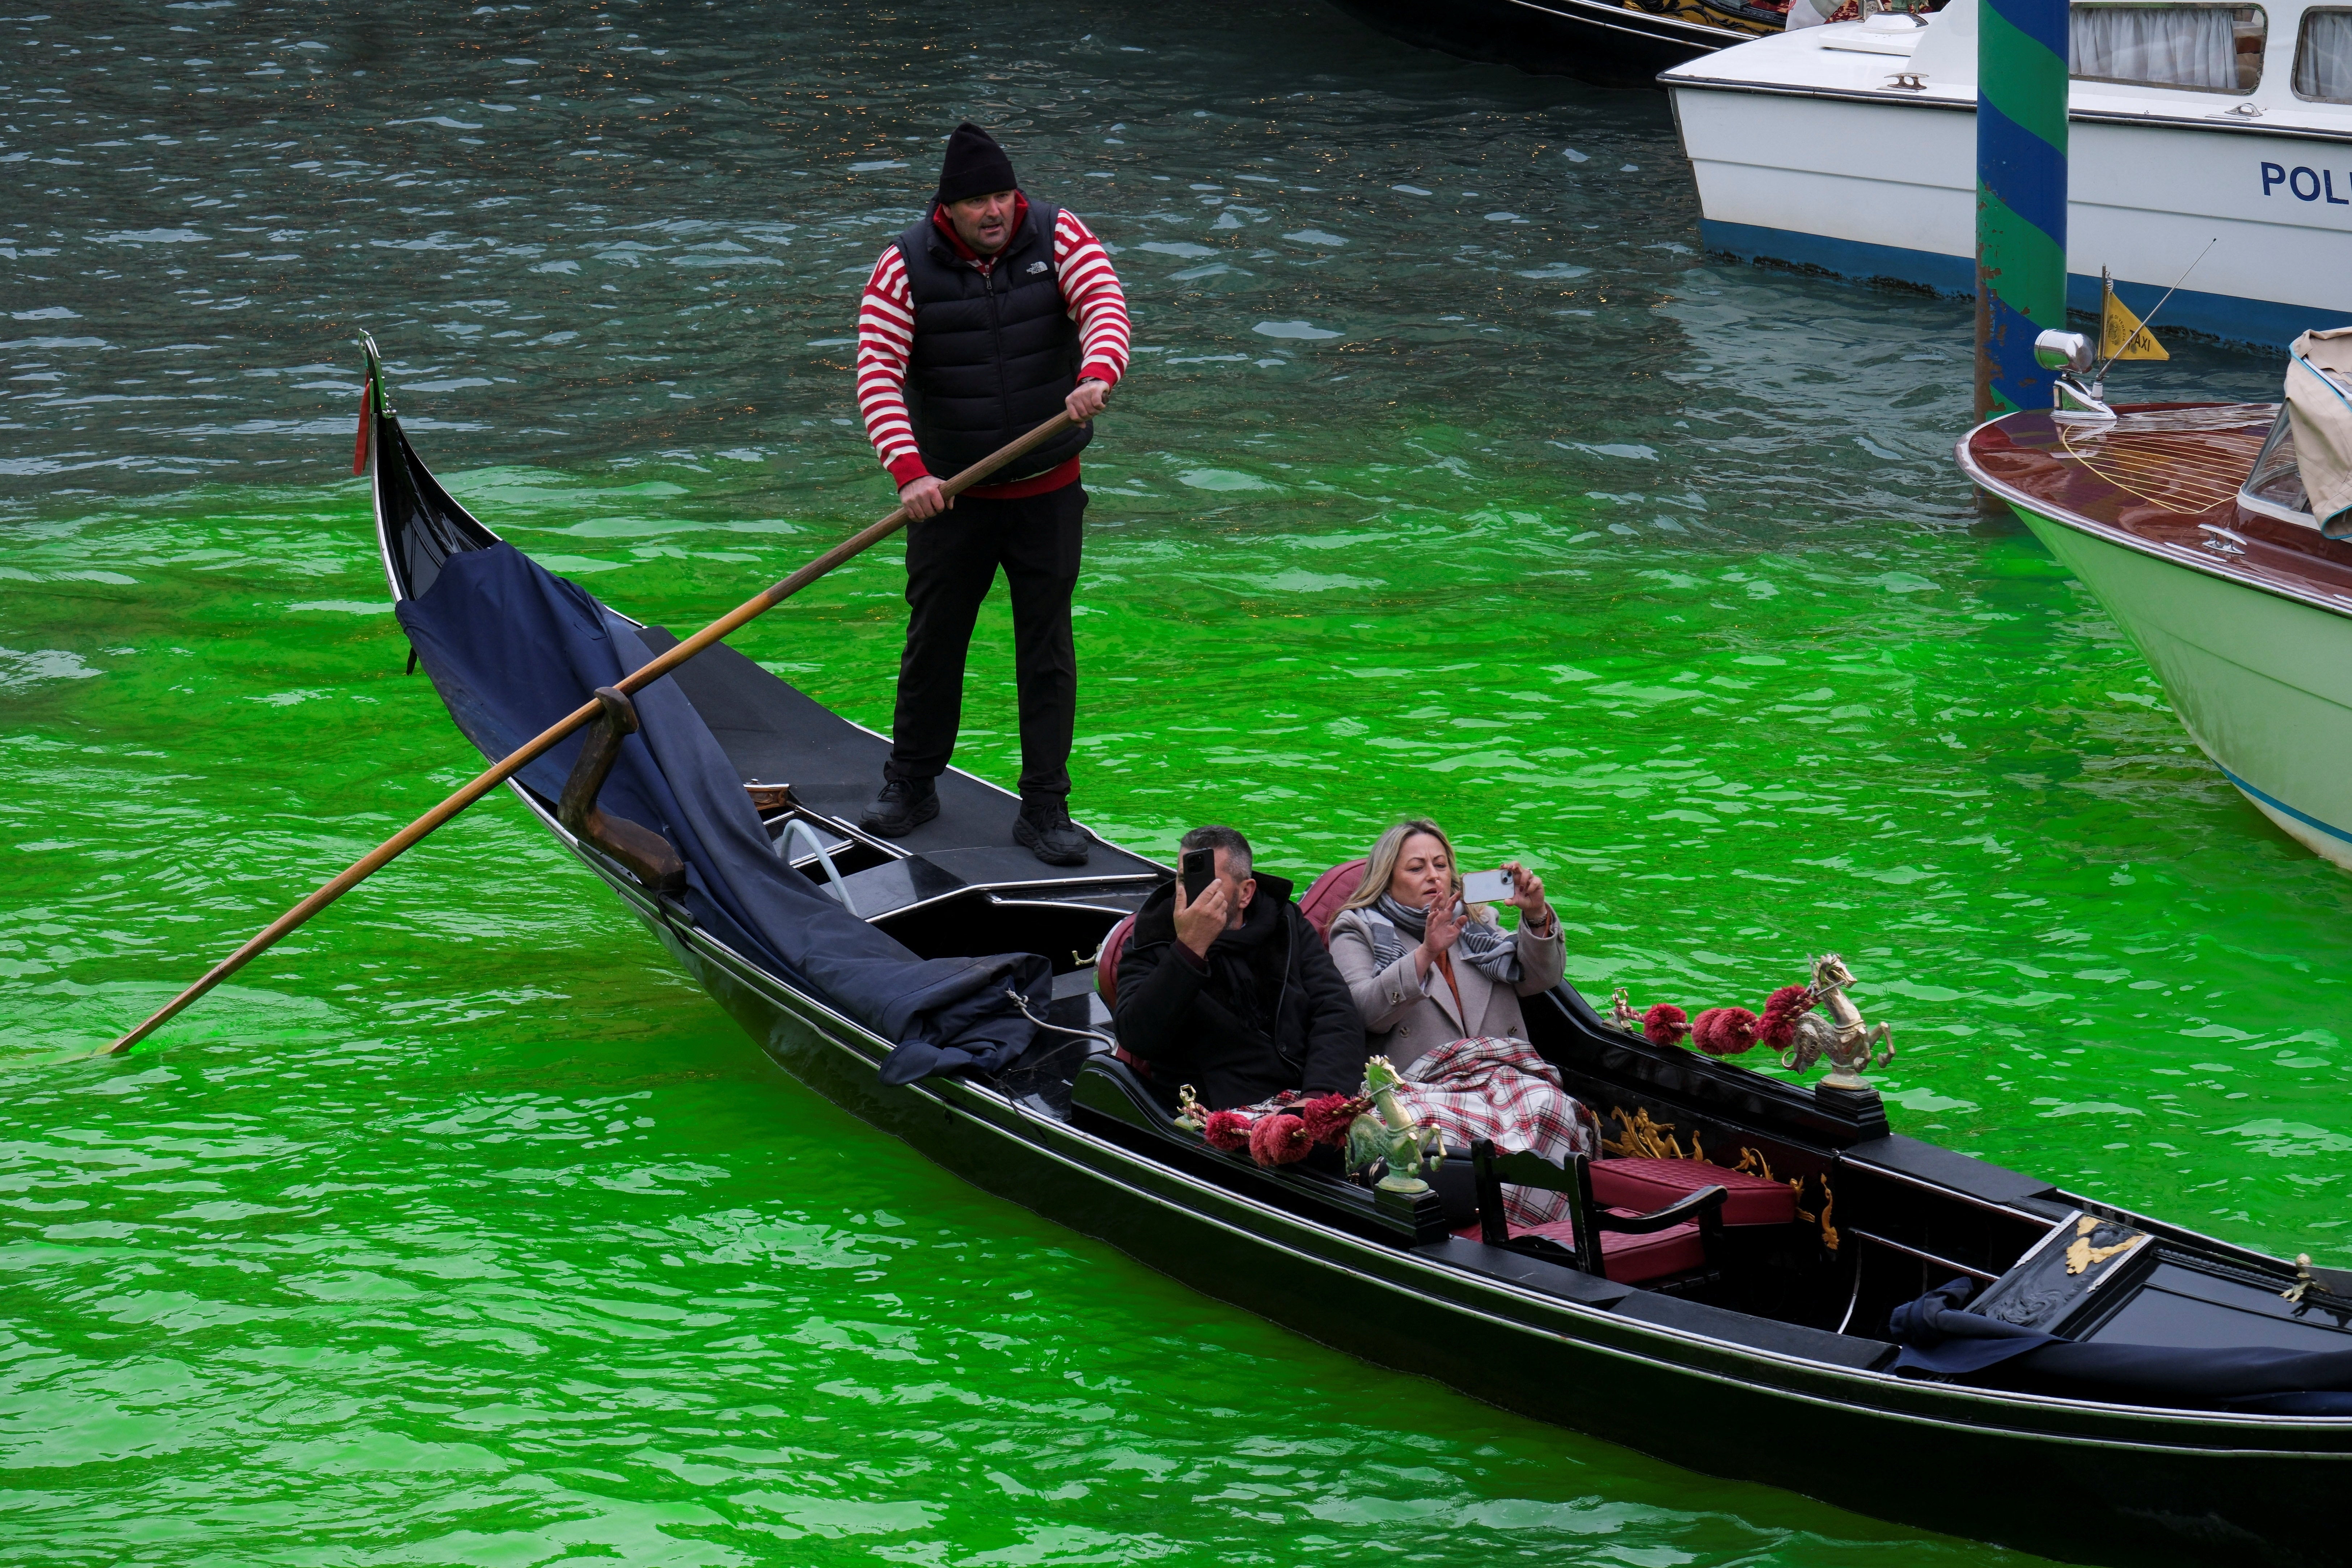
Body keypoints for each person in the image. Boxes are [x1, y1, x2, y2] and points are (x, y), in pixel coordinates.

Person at [851, 122, 1132, 866]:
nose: (995, 212)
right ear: (949, 208)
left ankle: (1045, 806)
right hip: (952, 499)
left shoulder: (1058, 234)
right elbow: (877, 371)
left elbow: (1104, 304)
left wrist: (1098, 370)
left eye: (1003, 196)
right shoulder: (902, 266)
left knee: (1047, 651)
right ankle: (911, 783)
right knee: (935, 643)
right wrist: (909, 474)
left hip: (1048, 491)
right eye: (978, 201)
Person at [1114, 824, 1367, 1110]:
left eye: (1210, 884)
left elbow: (1335, 1009)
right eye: (1185, 881)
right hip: (1225, 1112)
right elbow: (1137, 1038)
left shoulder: (1285, 922)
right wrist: (1189, 949)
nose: (1195, 895)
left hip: (1309, 1089)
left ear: (1246, 893)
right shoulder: (1152, 936)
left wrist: (1321, 1095)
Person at [1325, 818, 1566, 1070]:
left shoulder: (1476, 921)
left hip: (1507, 1070)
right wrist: (1427, 952)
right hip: (1425, 1085)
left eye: (1440, 865)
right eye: (1417, 868)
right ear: (1386, 879)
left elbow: (1543, 978)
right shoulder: (1356, 928)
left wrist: (1536, 913)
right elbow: (1366, 1014)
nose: (1433, 875)